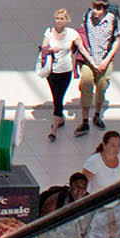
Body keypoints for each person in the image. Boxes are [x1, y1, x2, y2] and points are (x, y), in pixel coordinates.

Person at [38, 8, 93, 140]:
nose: (59, 21)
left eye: (62, 18)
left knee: (58, 97)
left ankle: (54, 129)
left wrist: (92, 61)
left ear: (67, 20)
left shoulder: (72, 34)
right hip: (52, 70)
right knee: (56, 96)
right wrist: (51, 49)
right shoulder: (49, 32)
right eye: (57, 18)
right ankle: (59, 118)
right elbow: (43, 48)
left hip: (65, 70)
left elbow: (81, 48)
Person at [76, 0, 120, 130]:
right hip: (89, 60)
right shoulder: (87, 16)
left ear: (105, 10)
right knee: (86, 86)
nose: (94, 11)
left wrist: (106, 61)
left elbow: (117, 41)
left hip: (104, 61)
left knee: (101, 88)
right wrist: (90, 60)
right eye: (94, 7)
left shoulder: (113, 21)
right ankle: (84, 120)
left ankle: (97, 115)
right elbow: (81, 36)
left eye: (98, 9)